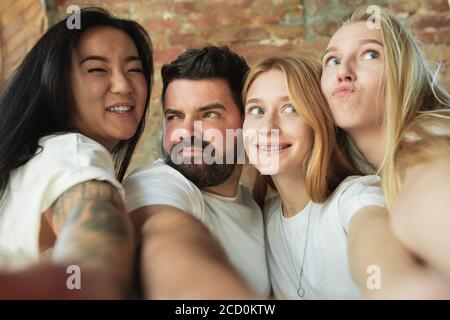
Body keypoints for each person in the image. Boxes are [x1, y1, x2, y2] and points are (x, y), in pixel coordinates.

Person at [242, 55, 450, 300]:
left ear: (320, 121)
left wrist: (396, 285)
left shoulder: (355, 198)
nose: (267, 128)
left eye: (290, 109)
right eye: (257, 110)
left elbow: (374, 247)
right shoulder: (262, 218)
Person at [0, 7, 153, 298]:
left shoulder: (32, 156)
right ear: (57, 83)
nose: (123, 85)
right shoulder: (73, 152)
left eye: (134, 69)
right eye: (97, 69)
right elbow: (94, 221)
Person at [320, 6, 450, 297]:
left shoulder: (428, 135)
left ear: (403, 71)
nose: (343, 71)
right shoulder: (362, 180)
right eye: (332, 60)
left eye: (370, 54)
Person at [123, 46, 270, 299]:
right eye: (175, 116)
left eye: (208, 114)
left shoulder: (254, 208)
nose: (187, 132)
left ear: (246, 122)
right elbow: (164, 239)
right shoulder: (157, 184)